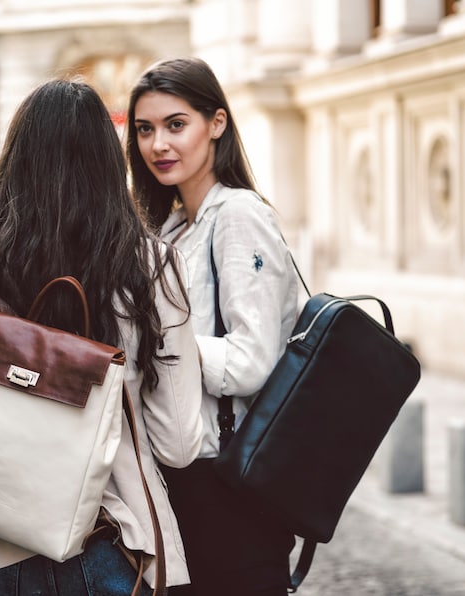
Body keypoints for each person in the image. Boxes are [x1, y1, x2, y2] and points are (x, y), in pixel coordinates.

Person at [0, 78, 204, 595]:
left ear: (14, 157)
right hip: (113, 538)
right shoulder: (150, 267)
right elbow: (176, 443)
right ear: (110, 165)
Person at [126, 57, 301, 595]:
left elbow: (252, 363)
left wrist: (163, 347)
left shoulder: (238, 216)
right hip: (188, 477)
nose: (158, 144)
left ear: (216, 124)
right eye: (145, 129)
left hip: (229, 480)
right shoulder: (177, 228)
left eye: (176, 125)